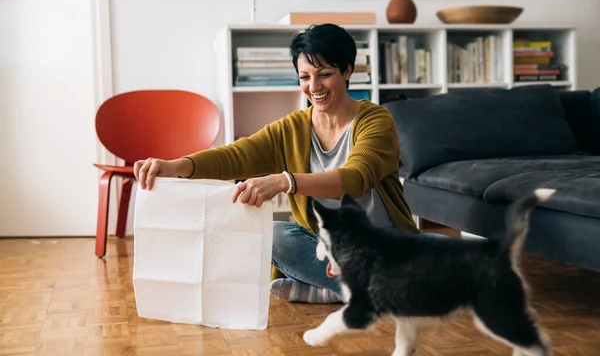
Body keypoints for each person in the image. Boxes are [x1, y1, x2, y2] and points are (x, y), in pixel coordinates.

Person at [133, 23, 419, 304]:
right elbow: (237, 154)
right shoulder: (293, 128)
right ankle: (356, 291)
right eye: (304, 77)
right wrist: (176, 166)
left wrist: (285, 181)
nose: (314, 86)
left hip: (384, 248)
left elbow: (356, 178)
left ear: (346, 71)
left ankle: (346, 291)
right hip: (331, 253)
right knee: (275, 235)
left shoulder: (376, 121)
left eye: (324, 75)